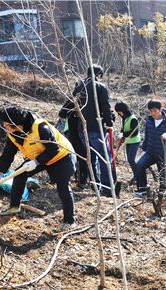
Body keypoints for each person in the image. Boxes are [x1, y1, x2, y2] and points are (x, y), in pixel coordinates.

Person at [0, 106, 76, 231]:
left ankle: (69, 221)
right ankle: (14, 206)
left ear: (15, 124)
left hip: (61, 156)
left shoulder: (41, 128)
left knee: (62, 186)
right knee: (19, 174)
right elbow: (7, 155)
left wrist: (36, 162)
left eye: (5, 124)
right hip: (39, 156)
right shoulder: (13, 134)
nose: (4, 126)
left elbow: (53, 149)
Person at [72, 64, 118, 197]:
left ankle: (96, 184)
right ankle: (108, 188)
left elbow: (74, 105)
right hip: (96, 128)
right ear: (99, 75)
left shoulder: (79, 87)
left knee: (92, 157)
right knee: (105, 158)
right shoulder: (100, 87)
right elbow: (105, 106)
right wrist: (109, 123)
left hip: (82, 128)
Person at [134, 100, 166, 196]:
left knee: (164, 175)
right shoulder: (149, 122)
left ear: (160, 109)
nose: (152, 113)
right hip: (150, 152)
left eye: (155, 110)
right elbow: (147, 137)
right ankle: (142, 191)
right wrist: (144, 148)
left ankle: (164, 195)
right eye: (150, 111)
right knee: (139, 165)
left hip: (163, 154)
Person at [58, 100, 88, 187]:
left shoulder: (72, 100)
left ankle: (81, 179)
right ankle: (81, 179)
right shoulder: (74, 100)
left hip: (75, 132)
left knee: (77, 156)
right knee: (81, 156)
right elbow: (62, 114)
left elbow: (62, 114)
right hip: (76, 132)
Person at [114, 102, 141, 185]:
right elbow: (123, 128)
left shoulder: (133, 119)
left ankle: (138, 176)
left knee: (131, 159)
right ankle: (136, 175)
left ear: (123, 110)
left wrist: (124, 134)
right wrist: (122, 134)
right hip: (128, 141)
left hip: (134, 141)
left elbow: (135, 132)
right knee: (130, 160)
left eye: (119, 111)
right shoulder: (124, 118)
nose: (119, 114)